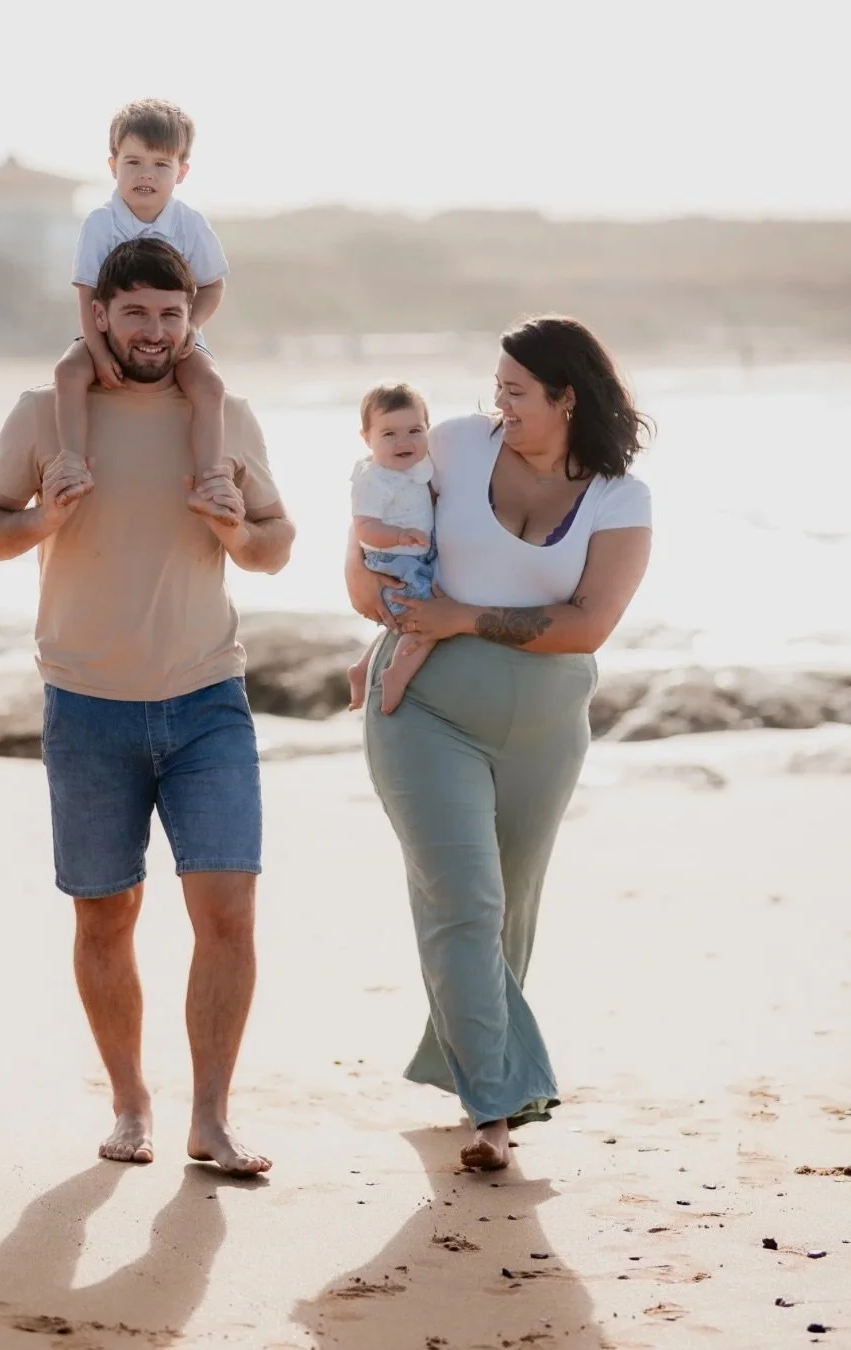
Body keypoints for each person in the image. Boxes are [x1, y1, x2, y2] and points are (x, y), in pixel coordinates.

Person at [0, 237, 295, 1175]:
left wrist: (237, 530)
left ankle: (211, 1120)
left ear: (191, 320)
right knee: (105, 918)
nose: (154, 331)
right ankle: (131, 1105)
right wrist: (41, 520)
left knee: (228, 914)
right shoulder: (44, 414)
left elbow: (276, 545)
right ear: (99, 314)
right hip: (87, 708)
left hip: (208, 701)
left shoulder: (224, 416)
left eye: (170, 314)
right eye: (136, 312)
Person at [345, 315, 653, 1171]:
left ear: (567, 397)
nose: (499, 406)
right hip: (425, 712)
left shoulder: (620, 498)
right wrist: (388, 607)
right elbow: (367, 550)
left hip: (546, 732)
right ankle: (496, 1107)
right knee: (465, 904)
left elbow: (588, 625)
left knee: (507, 914)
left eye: (516, 392)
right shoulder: (453, 446)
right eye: (497, 389)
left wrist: (461, 616)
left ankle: (465, 1059)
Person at [55, 97, 235, 523]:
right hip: (106, 333)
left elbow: (213, 285)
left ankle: (209, 479)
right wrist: (98, 351)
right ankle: (72, 462)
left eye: (160, 165)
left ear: (181, 172)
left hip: (176, 335)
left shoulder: (190, 223)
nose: (146, 175)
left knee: (210, 386)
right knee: (68, 372)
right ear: (113, 165)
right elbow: (87, 293)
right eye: (133, 162)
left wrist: (192, 326)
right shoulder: (100, 223)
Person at [346, 382, 437, 715]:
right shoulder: (374, 478)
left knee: (400, 624)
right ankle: (396, 674)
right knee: (426, 620)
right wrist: (399, 535)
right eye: (389, 434)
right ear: (366, 438)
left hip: (414, 555)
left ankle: (362, 668)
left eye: (414, 430)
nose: (404, 442)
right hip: (392, 559)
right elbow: (364, 527)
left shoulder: (420, 466)